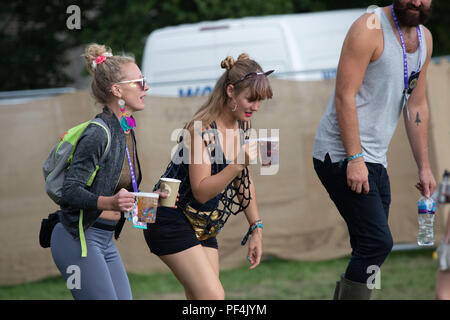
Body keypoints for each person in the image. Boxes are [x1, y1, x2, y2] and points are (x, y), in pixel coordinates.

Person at [312, 0, 436, 299]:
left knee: (370, 248)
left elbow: (416, 105)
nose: (417, 2)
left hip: (375, 158)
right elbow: (345, 96)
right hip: (341, 153)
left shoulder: (425, 39)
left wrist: (424, 166)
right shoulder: (369, 27)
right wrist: (355, 158)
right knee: (377, 243)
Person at [143, 53, 273, 300]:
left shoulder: (242, 126)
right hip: (168, 216)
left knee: (203, 299)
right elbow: (202, 190)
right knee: (212, 297)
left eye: (260, 101)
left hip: (203, 224)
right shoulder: (201, 129)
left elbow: (243, 181)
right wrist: (236, 165)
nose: (256, 107)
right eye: (251, 100)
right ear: (231, 91)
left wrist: (256, 228)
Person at [50, 43, 156, 299]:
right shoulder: (99, 132)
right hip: (78, 238)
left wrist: (150, 203)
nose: (147, 88)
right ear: (117, 90)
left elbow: (118, 190)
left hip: (105, 239)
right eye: (140, 82)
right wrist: (111, 202)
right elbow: (70, 191)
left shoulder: (125, 128)